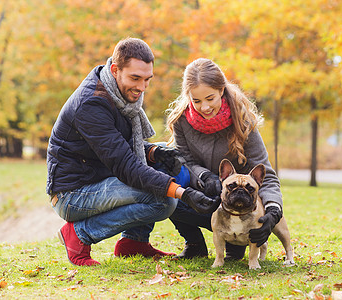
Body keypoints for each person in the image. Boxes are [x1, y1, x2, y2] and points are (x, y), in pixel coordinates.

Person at [46, 38, 220, 266]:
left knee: (164, 161)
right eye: (135, 78)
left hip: (100, 179)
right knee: (164, 202)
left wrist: (156, 153)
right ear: (115, 70)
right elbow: (126, 167)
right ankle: (79, 235)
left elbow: (124, 147)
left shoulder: (119, 94)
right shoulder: (92, 105)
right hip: (73, 194)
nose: (142, 87)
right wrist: (183, 193)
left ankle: (133, 243)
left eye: (147, 79)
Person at [166, 58, 284, 260]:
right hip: (200, 199)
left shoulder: (243, 121)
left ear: (221, 90)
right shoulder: (181, 121)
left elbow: (265, 172)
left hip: (239, 206)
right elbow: (184, 161)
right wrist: (206, 177)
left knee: (236, 253)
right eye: (196, 101)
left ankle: (235, 244)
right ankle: (194, 243)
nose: (204, 107)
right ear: (188, 97)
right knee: (164, 170)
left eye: (210, 98)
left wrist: (273, 211)